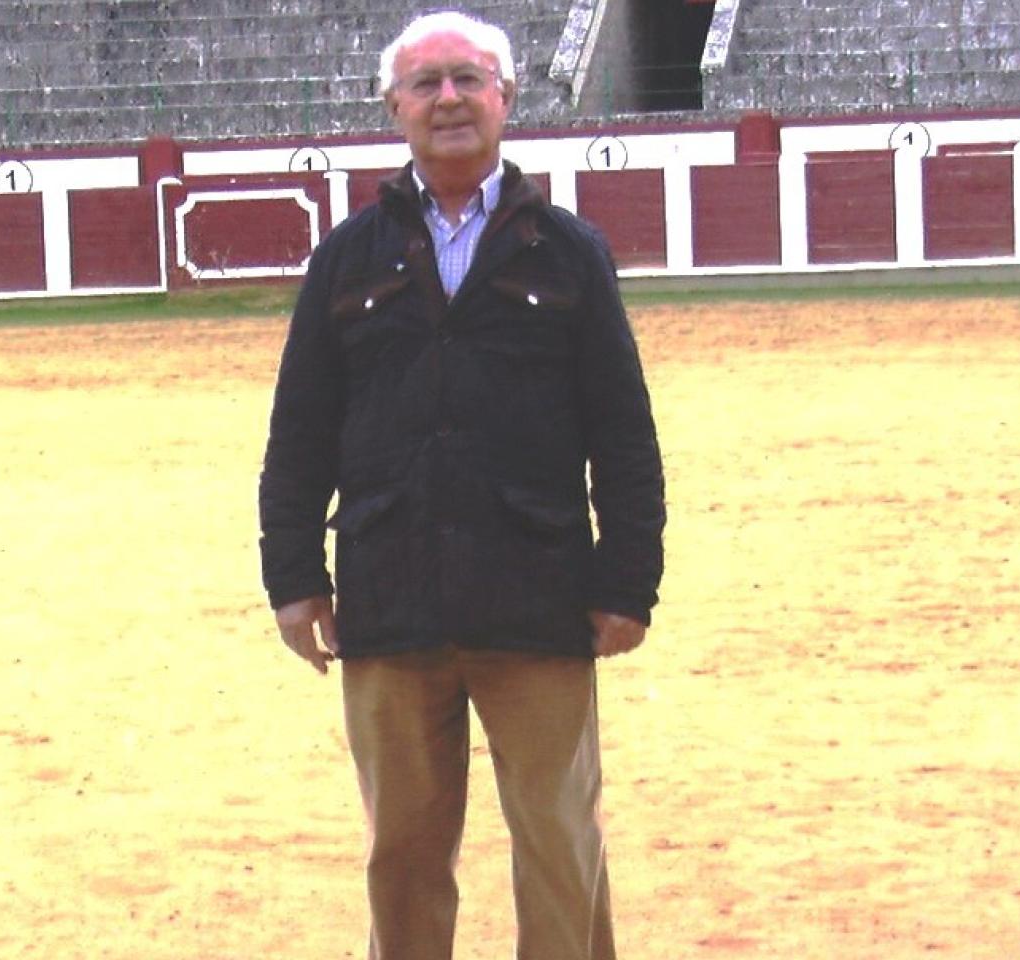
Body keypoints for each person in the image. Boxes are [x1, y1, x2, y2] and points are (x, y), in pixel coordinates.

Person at [257, 10, 665, 960]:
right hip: (391, 592)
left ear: (506, 98)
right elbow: (301, 430)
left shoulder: (568, 250)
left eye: (468, 80)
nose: (448, 99)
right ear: (393, 107)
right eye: (426, 83)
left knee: (559, 841)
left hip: (537, 591)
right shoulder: (346, 257)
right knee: (401, 852)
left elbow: (622, 429)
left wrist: (627, 580)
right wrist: (294, 577)